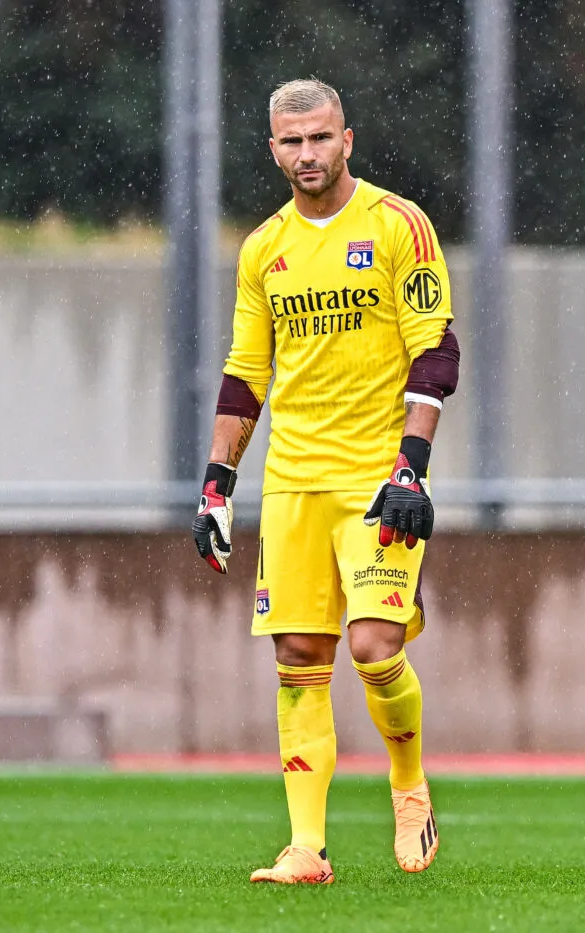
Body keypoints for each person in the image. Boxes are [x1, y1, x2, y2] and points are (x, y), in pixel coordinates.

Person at [191, 78, 460, 885]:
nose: (306, 154)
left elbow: (436, 349)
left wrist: (412, 465)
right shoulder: (263, 248)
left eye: (320, 138)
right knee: (300, 656)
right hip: (294, 483)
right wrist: (215, 483)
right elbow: (246, 375)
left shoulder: (395, 224)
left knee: (376, 648)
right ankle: (306, 846)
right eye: (290, 141)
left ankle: (408, 785)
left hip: (378, 480)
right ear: (271, 149)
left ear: (349, 139)